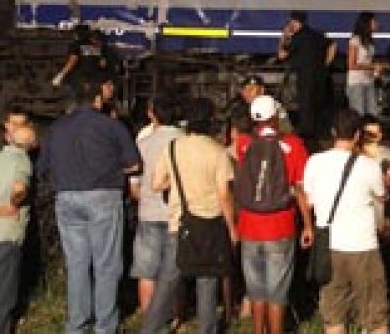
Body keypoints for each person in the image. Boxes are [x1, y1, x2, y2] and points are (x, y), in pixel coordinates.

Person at [38, 78, 142, 334]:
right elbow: (133, 165)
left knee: (77, 264)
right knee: (106, 265)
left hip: (66, 198)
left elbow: (42, 168)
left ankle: (77, 324)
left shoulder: (56, 128)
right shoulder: (111, 126)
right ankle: (105, 325)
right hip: (103, 196)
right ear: (98, 98)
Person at [142, 98, 237, 334]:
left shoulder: (173, 148)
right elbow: (224, 194)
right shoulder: (218, 152)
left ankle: (151, 328)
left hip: (180, 222)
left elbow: (156, 184)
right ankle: (208, 329)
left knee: (167, 281)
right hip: (210, 224)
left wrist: (176, 183)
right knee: (207, 282)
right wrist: (232, 227)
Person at [303, 109, 390, 334]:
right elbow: (380, 198)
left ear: (333, 132)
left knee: (333, 315)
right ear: (358, 135)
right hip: (364, 245)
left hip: (330, 246)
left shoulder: (314, 162)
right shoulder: (369, 166)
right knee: (374, 315)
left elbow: (308, 199)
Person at [235, 95, 314, 334]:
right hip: (281, 225)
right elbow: (301, 189)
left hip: (249, 225)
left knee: (256, 290)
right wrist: (308, 225)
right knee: (277, 293)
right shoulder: (294, 145)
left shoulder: (243, 144)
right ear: (275, 116)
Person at [129, 95, 185, 315]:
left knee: (147, 271)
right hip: (177, 214)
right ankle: (176, 317)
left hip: (148, 213)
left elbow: (134, 187)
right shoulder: (184, 140)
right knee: (175, 270)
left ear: (152, 114)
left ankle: (149, 316)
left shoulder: (142, 144)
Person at [0, 122, 34, 334]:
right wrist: (14, 203)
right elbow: (19, 188)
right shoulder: (22, 161)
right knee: (1, 296)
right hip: (5, 236)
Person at [277, 10, 335, 149]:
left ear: (296, 22)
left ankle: (308, 138)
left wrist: (283, 37)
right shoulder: (316, 34)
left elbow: (281, 55)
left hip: (305, 77)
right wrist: (326, 64)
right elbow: (332, 45)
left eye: (291, 21)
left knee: (306, 107)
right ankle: (321, 134)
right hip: (320, 76)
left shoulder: (297, 38)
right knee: (318, 106)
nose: (290, 24)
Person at [347, 12, 387, 116]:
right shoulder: (355, 40)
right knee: (359, 113)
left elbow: (368, 61)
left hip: (368, 81)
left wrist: (376, 70)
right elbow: (351, 65)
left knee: (372, 112)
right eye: (374, 21)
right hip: (357, 83)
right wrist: (373, 66)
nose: (377, 24)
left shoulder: (369, 42)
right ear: (367, 23)